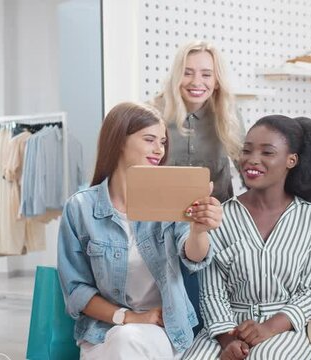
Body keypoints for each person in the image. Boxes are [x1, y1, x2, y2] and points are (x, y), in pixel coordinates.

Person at [57, 102, 223, 359]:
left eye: (163, 142)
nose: (159, 149)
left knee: (128, 341)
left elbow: (194, 257)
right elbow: (77, 291)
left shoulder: (172, 197)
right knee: (125, 338)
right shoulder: (80, 208)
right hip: (102, 332)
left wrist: (199, 231)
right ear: (120, 140)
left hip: (164, 329)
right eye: (149, 140)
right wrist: (131, 317)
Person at [183, 115, 311, 360]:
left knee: (265, 357)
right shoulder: (221, 216)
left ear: (291, 160)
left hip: (287, 327)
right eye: (247, 151)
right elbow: (211, 292)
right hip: (225, 328)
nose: (252, 160)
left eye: (267, 152)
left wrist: (269, 328)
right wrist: (228, 340)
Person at [153, 40, 243, 332]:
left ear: (217, 81)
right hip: (162, 225)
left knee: (211, 308)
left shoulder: (229, 116)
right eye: (188, 72)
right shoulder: (153, 112)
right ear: (176, 75)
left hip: (214, 223)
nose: (196, 82)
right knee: (173, 306)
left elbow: (248, 168)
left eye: (206, 74)